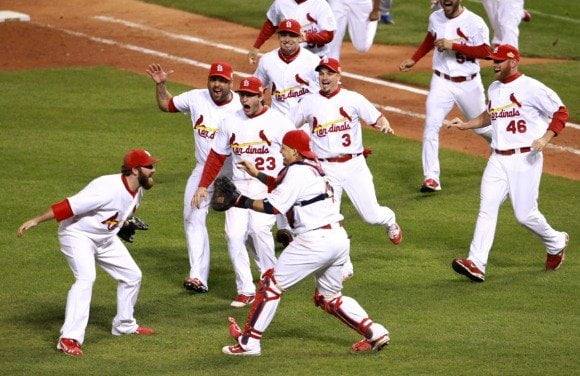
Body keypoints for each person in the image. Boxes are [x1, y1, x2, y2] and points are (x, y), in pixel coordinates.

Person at [222, 130, 391, 356]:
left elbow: (274, 207)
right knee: (329, 297)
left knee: (271, 284)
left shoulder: (297, 172)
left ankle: (249, 342)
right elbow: (284, 186)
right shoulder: (314, 168)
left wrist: (240, 201)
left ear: (294, 150)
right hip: (338, 239)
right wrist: (257, 174)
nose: (280, 151)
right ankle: (375, 332)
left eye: (283, 148)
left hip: (314, 241)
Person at [16, 149, 159, 357]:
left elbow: (122, 210)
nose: (154, 170)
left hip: (105, 238)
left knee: (132, 276)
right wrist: (36, 220)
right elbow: (68, 207)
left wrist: (123, 224)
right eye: (150, 167)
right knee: (85, 279)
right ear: (135, 170)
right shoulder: (106, 188)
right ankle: (68, 338)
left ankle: (124, 325)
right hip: (77, 236)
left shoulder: (138, 189)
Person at [447, 44, 570, 282]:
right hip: (498, 159)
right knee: (487, 208)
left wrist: (545, 138)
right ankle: (477, 263)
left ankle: (555, 241)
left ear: (513, 62)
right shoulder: (494, 88)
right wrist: (466, 124)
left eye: (499, 61)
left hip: (525, 158)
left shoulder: (532, 88)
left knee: (525, 215)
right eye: (493, 60)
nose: (494, 65)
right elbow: (489, 115)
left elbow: (561, 113)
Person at [291, 57, 402, 280]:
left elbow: (376, 116)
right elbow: (287, 125)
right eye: (321, 73)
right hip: (325, 169)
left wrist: (384, 124)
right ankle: (345, 263)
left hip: (354, 166)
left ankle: (390, 220)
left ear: (338, 76)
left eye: (329, 73)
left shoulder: (353, 98)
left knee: (371, 215)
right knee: (331, 217)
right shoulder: (308, 102)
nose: (324, 77)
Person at [192, 77, 294, 307]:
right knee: (234, 235)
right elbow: (216, 156)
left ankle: (271, 276)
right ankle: (245, 289)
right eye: (242, 95)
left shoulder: (279, 122)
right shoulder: (230, 122)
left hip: (265, 186)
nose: (244, 99)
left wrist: (290, 182)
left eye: (249, 95)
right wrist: (202, 185)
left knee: (259, 230)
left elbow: (296, 150)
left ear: (261, 96)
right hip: (237, 187)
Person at [146, 62, 242, 294]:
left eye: (222, 80)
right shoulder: (196, 98)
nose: (217, 85)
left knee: (243, 232)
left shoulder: (242, 105)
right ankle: (198, 275)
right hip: (203, 171)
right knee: (193, 217)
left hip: (237, 175)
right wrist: (161, 86)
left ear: (231, 83)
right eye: (213, 79)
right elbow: (165, 104)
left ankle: (267, 274)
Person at [399, 0, 493, 192]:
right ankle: (431, 178)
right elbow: (430, 38)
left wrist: (454, 45)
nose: (446, 2)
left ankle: (501, 144)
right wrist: (414, 59)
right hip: (441, 82)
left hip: (469, 84)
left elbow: (486, 52)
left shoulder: (475, 22)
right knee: (431, 126)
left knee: (481, 129)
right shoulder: (435, 17)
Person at [248, 0, 337, 64]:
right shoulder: (280, 3)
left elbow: (329, 35)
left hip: (317, 60)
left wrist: (307, 37)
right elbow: (271, 24)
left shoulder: (320, 4)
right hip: (290, 62)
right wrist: (256, 46)